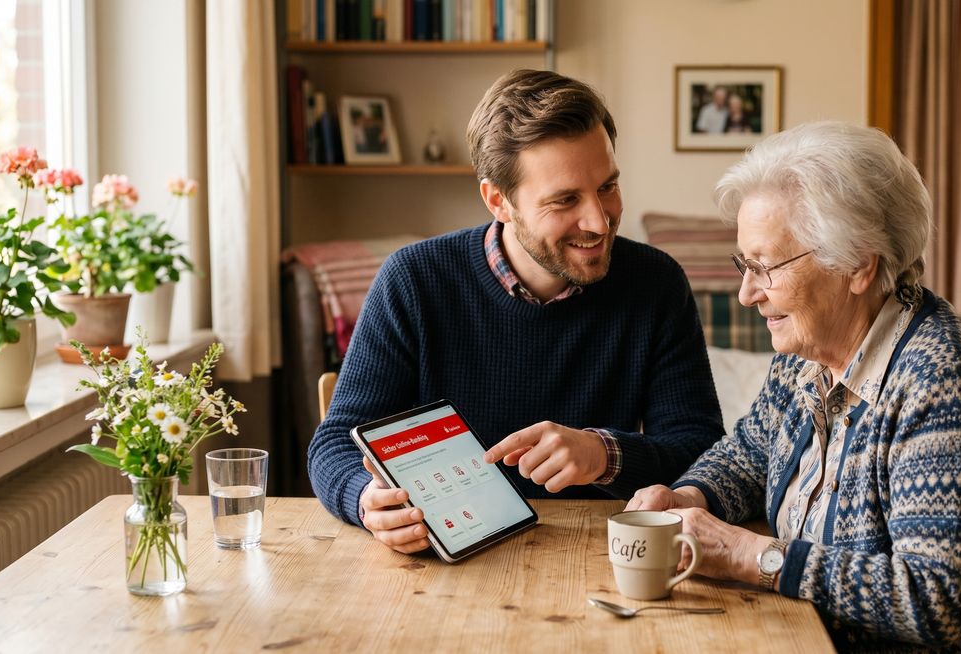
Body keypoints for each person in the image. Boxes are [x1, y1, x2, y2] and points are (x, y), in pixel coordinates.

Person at [627, 122, 961, 651]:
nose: (747, 292)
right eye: (742, 264)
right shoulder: (807, 357)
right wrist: (688, 496)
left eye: (764, 266)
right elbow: (749, 453)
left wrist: (749, 555)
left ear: (858, 265)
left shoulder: (950, 380)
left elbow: (932, 601)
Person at [309, 69, 724, 555]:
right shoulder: (415, 280)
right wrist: (365, 500)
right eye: (565, 200)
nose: (599, 220)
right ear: (498, 200)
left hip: (598, 554)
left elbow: (701, 449)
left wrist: (605, 455)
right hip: (444, 565)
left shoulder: (656, 283)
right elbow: (335, 442)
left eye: (607, 186)